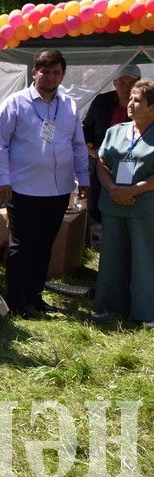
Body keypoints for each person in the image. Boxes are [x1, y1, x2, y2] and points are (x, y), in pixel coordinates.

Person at [0, 49, 90, 317]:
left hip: (59, 188)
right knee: (22, 245)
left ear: (63, 75)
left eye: (56, 72)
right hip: (23, 187)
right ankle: (16, 300)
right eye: (45, 71)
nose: (50, 76)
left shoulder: (69, 105)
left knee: (45, 243)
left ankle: (35, 296)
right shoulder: (15, 103)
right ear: (34, 72)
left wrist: (84, 178)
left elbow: (79, 145)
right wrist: (1, 178)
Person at [93, 79, 154, 327]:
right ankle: (109, 306)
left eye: (137, 100)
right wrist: (112, 189)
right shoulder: (115, 131)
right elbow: (101, 163)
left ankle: (146, 311)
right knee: (111, 256)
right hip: (114, 203)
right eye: (130, 98)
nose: (130, 103)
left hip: (145, 206)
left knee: (145, 257)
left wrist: (136, 190)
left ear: (152, 107)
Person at [83, 64, 141, 222]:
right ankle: (103, 234)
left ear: (138, 84)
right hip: (100, 159)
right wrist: (88, 143)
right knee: (94, 204)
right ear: (114, 83)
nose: (126, 87)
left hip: (128, 162)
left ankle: (120, 235)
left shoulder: (143, 104)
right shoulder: (102, 101)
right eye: (122, 82)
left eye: (131, 83)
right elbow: (87, 125)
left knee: (123, 198)